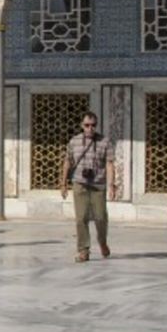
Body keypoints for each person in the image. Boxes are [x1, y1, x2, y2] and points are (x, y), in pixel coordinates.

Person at [59, 111, 118, 263]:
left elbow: (110, 163)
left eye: (93, 125)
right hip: (80, 183)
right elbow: (67, 161)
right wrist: (63, 183)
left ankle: (102, 241)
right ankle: (83, 250)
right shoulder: (74, 141)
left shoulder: (104, 142)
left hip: (98, 184)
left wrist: (111, 185)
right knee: (81, 218)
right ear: (81, 125)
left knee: (100, 217)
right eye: (86, 125)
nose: (90, 128)